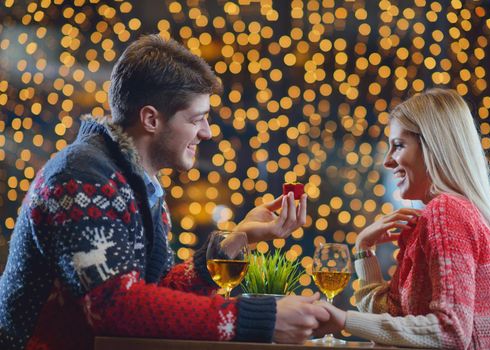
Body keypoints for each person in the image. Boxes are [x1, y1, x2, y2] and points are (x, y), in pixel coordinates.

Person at [0, 34, 329, 350]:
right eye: (196, 119)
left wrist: (238, 240)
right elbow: (116, 308)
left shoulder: (138, 182)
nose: (208, 132)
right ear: (151, 119)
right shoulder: (80, 178)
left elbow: (153, 296)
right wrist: (261, 319)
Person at [315, 88, 490, 349]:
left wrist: (344, 320)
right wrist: (363, 250)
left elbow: (450, 331)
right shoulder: (443, 215)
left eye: (398, 146)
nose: (387, 161)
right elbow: (396, 320)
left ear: (433, 147)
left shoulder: (447, 212)